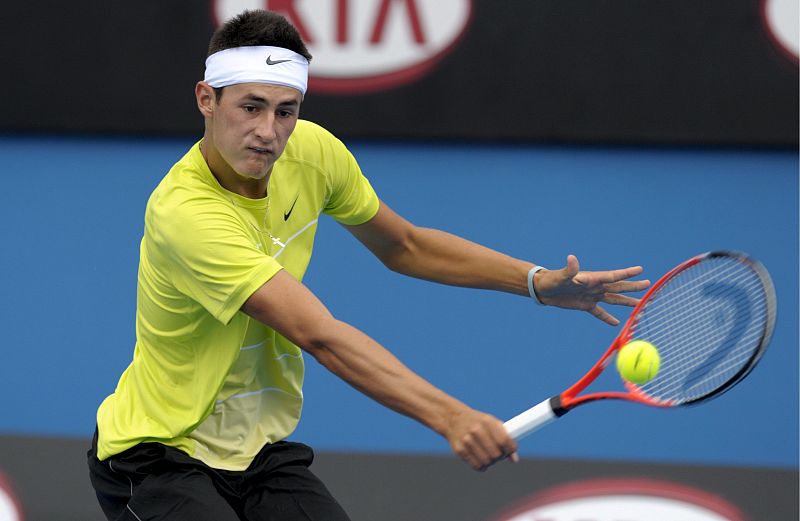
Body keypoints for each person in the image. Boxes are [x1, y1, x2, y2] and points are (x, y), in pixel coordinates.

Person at [87, 9, 649, 521]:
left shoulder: (311, 152)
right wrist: (449, 416)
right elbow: (320, 334)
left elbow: (404, 245)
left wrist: (534, 282)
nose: (268, 132)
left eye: (286, 111)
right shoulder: (187, 213)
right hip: (158, 454)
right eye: (250, 107)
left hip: (257, 452)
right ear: (207, 99)